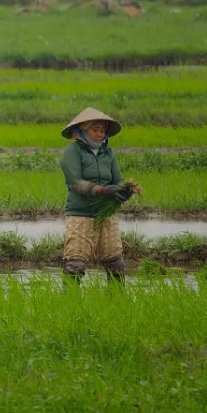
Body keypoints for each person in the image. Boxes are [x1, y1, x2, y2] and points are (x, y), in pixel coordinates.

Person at [58, 107, 132, 283]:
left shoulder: (108, 152)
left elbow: (117, 179)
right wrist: (102, 190)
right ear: (83, 130)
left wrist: (123, 190)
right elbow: (75, 182)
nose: (100, 134)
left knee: (115, 262)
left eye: (103, 130)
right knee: (75, 262)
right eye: (95, 130)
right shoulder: (72, 152)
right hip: (81, 215)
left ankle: (117, 302)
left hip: (106, 215)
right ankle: (70, 301)